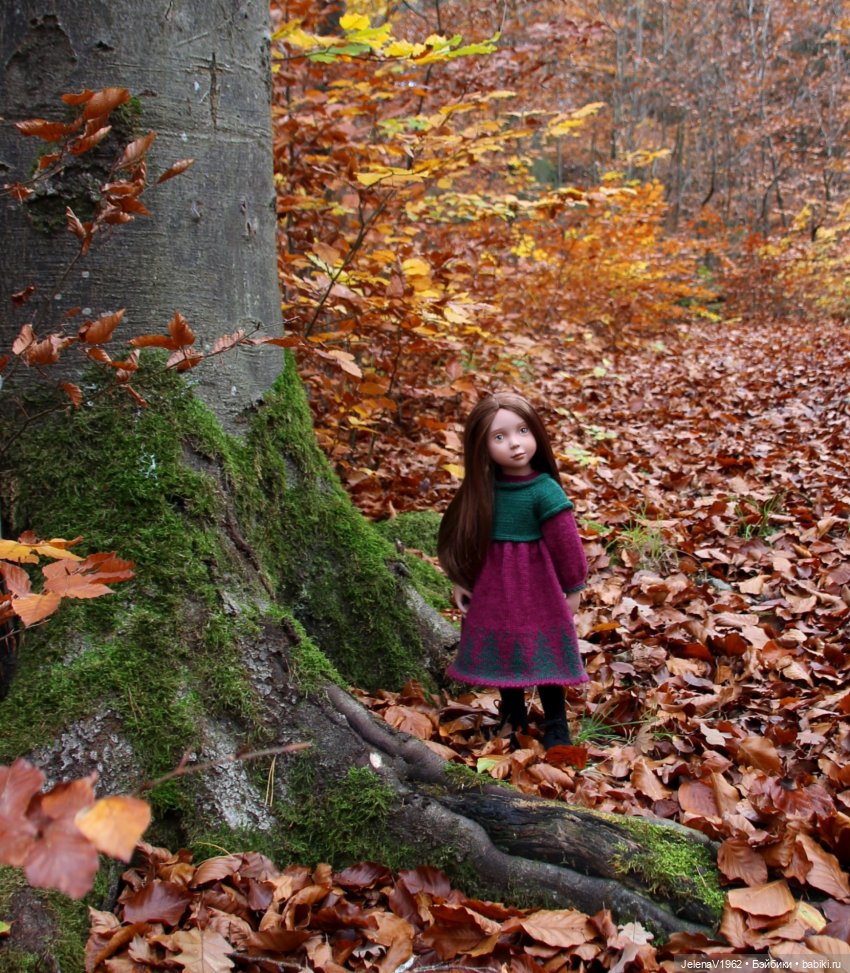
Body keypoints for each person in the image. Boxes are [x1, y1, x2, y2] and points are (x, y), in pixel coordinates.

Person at [437, 391, 588, 750]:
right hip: (495, 590)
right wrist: (461, 579)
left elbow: (567, 545)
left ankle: (556, 724)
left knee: (546, 651)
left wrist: (575, 587)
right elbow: (465, 535)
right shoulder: (483, 492)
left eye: (523, 431)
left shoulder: (544, 491)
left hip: (538, 589)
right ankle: (512, 715)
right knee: (505, 651)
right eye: (499, 437)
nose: (515, 445)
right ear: (482, 445)